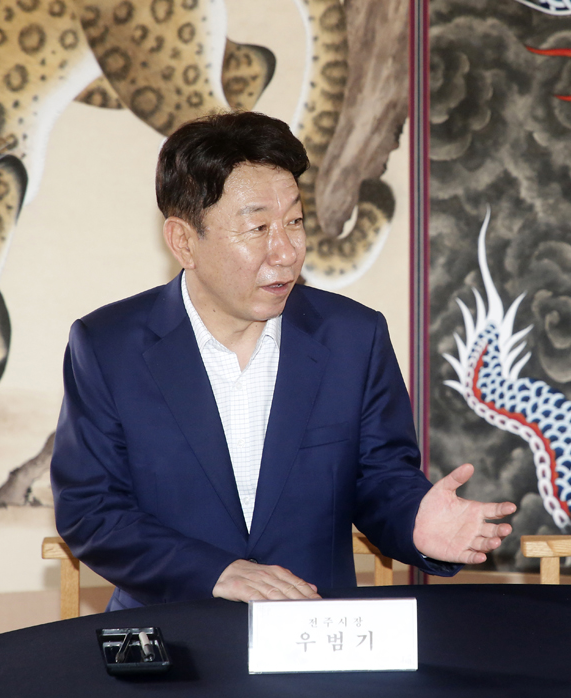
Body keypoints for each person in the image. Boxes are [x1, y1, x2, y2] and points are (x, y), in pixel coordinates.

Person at [50, 111, 515, 610]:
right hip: (173, 634)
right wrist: (215, 572)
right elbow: (91, 510)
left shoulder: (353, 338)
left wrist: (415, 521)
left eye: (294, 222)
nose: (287, 252)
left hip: (313, 631)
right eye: (258, 228)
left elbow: (380, 479)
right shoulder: (108, 347)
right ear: (184, 241)